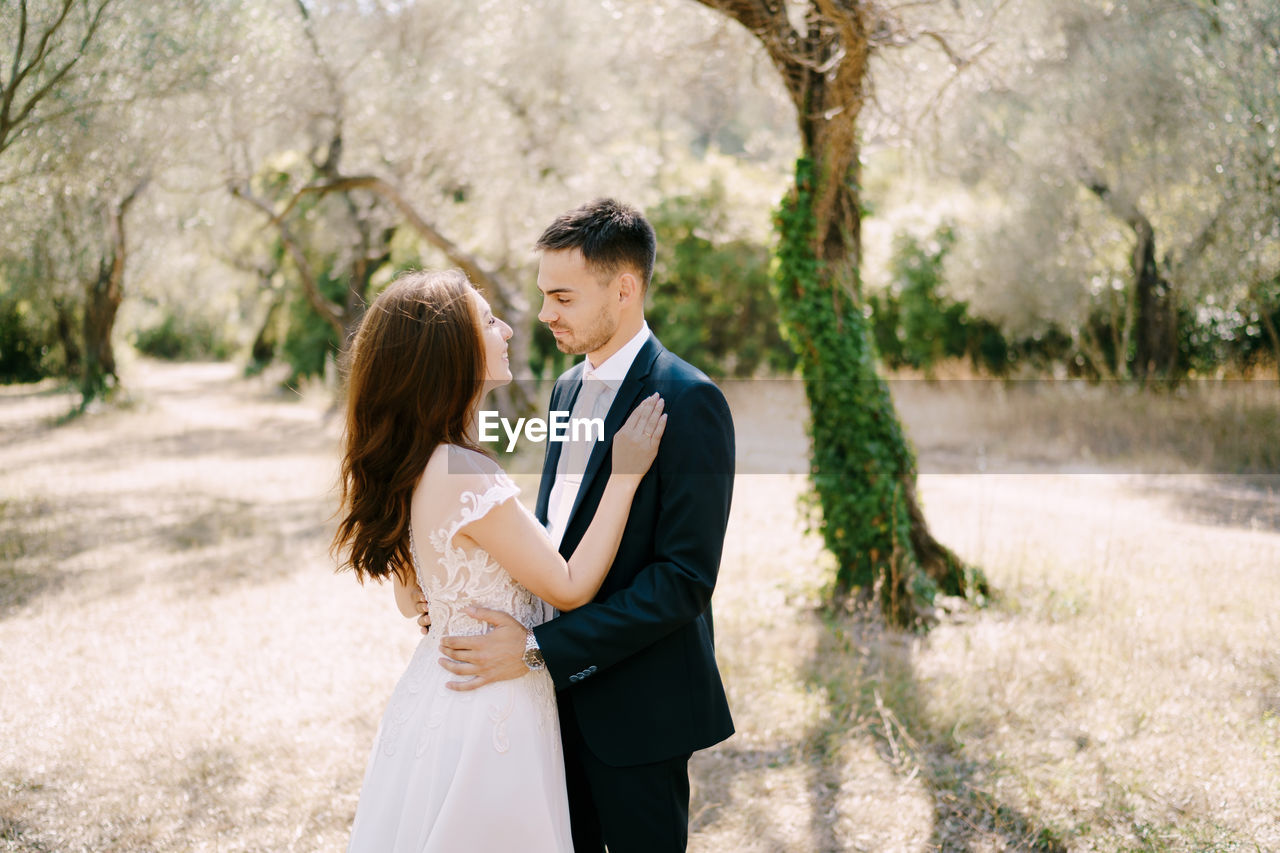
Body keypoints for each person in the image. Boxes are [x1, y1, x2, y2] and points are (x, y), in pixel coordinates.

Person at [426, 199, 737, 853]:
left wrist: (541, 647)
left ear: (624, 289)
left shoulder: (690, 401)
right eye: (544, 294)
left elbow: (683, 583)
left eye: (562, 296)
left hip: (638, 716)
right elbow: (551, 532)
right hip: (543, 713)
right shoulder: (564, 391)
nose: (544, 314)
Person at [332, 268, 668, 853]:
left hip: (441, 693)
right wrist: (625, 474)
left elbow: (413, 600)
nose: (510, 329)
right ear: (450, 353)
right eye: (488, 321)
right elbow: (568, 586)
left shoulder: (415, 461)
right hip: (489, 710)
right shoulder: (464, 471)